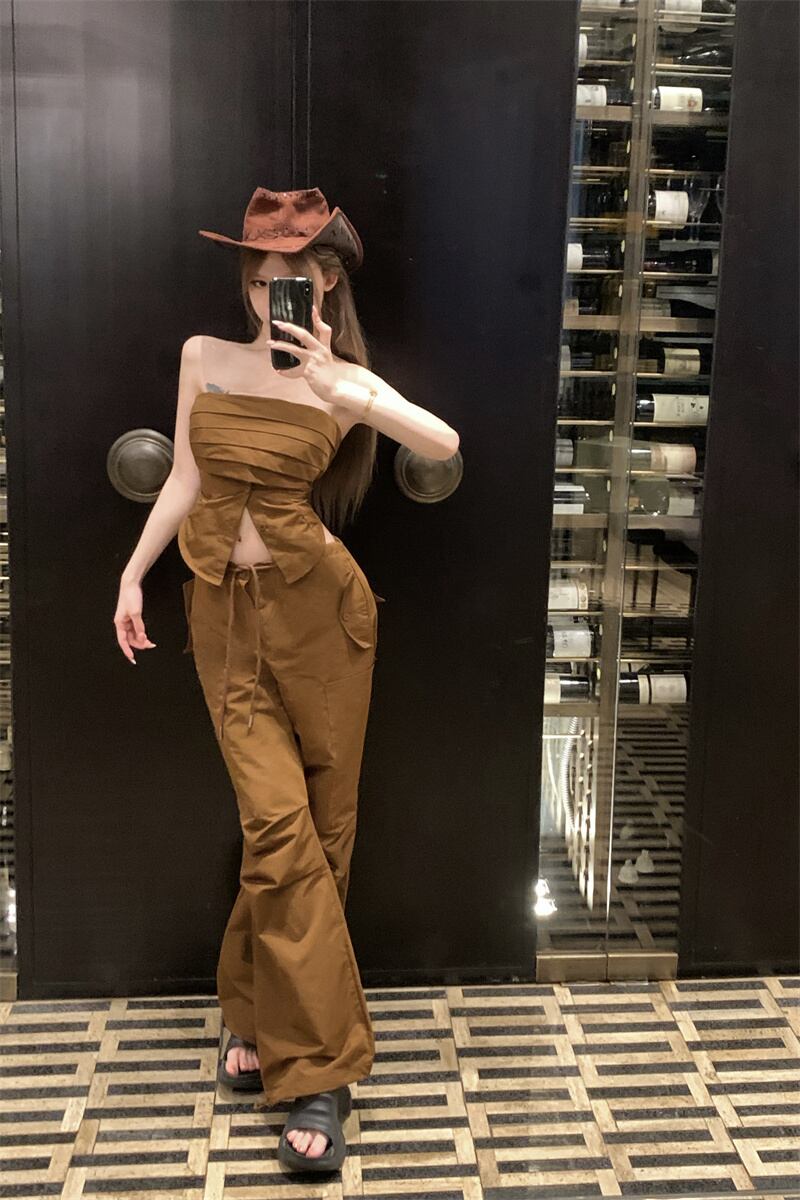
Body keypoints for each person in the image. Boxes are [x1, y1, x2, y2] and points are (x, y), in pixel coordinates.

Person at [113, 187, 460, 1173]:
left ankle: (253, 1011)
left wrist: (350, 392)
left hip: (323, 619)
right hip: (223, 614)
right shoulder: (203, 358)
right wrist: (133, 575)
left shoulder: (343, 381)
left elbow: (442, 443)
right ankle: (318, 1073)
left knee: (321, 830)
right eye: (263, 281)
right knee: (277, 826)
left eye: (295, 281)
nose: (275, 297)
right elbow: (185, 479)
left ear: (328, 284)